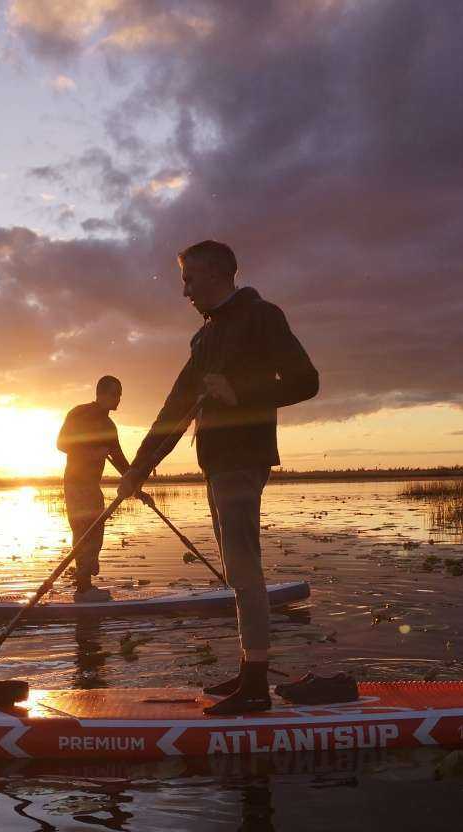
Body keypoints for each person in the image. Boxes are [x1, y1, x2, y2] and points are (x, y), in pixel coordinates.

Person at [117, 240, 318, 715]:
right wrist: (137, 470)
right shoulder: (203, 338)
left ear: (216, 274)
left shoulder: (262, 316)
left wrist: (239, 392)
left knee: (244, 569)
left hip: (244, 457)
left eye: (189, 279)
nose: (184, 291)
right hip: (215, 462)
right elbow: (176, 408)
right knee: (235, 570)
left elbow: (306, 381)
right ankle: (250, 670)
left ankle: (256, 687)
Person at [57, 375, 130, 600]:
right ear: (102, 394)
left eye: (120, 394)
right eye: (116, 394)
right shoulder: (79, 413)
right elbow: (62, 443)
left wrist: (136, 481)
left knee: (96, 533)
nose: (119, 399)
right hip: (75, 483)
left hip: (92, 485)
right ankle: (83, 588)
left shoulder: (109, 426)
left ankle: (85, 580)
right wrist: (93, 451)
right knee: (83, 532)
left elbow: (119, 459)